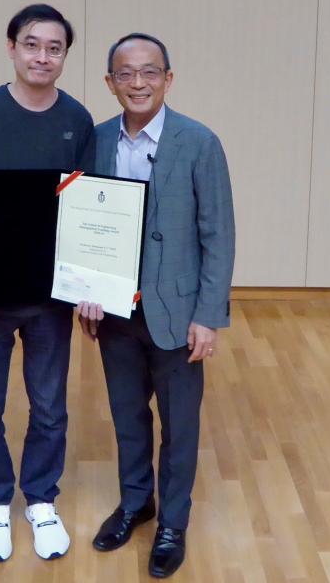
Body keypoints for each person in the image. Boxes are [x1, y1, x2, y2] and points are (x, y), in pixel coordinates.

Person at [78, 32, 235, 578]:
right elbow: (83, 226)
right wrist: (86, 290)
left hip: (178, 312)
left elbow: (218, 234)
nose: (138, 83)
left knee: (180, 425)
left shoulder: (199, 142)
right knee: (126, 416)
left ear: (168, 79)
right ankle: (135, 502)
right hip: (116, 311)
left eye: (149, 72)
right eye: (126, 73)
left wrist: (208, 316)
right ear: (110, 82)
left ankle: (173, 522)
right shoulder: (95, 140)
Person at [0, 3, 95, 563]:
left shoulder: (77, 119)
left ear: (63, 57)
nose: (42, 56)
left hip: (48, 288)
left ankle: (42, 500)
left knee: (49, 404)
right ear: (12, 47)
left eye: (54, 48)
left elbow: (86, 202)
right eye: (32, 44)